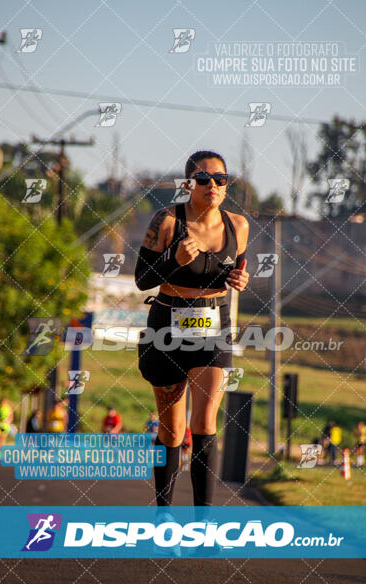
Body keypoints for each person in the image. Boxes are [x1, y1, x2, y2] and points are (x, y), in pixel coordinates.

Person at [135, 150, 249, 513]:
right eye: (203, 179)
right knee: (171, 431)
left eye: (221, 179)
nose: (212, 185)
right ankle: (164, 514)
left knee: (204, 421)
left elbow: (227, 273)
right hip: (167, 326)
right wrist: (173, 260)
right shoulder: (167, 220)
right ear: (188, 184)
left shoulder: (239, 226)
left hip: (214, 327)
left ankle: (203, 522)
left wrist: (238, 279)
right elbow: (141, 279)